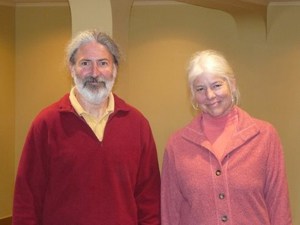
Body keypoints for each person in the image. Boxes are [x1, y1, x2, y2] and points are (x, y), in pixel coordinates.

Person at [12, 29, 161, 225]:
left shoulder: (137, 124)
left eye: (103, 63)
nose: (94, 73)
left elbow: (148, 199)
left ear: (115, 69)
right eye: (85, 63)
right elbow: (27, 200)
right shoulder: (46, 124)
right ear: (71, 68)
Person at [161, 49, 292, 225]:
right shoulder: (177, 145)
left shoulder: (265, 137)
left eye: (216, 85)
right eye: (200, 89)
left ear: (232, 84)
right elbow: (170, 212)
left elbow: (279, 207)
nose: (210, 95)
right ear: (193, 95)